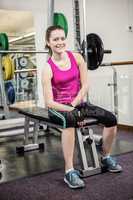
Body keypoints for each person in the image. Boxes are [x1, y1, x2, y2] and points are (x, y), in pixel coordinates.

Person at [42, 25, 122, 189]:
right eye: (55, 39)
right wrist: (70, 109)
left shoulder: (77, 57)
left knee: (111, 119)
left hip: (77, 103)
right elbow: (49, 102)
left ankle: (105, 156)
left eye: (62, 38)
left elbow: (85, 85)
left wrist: (74, 103)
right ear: (48, 43)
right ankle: (69, 171)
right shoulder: (47, 68)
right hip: (58, 107)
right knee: (70, 120)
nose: (60, 42)